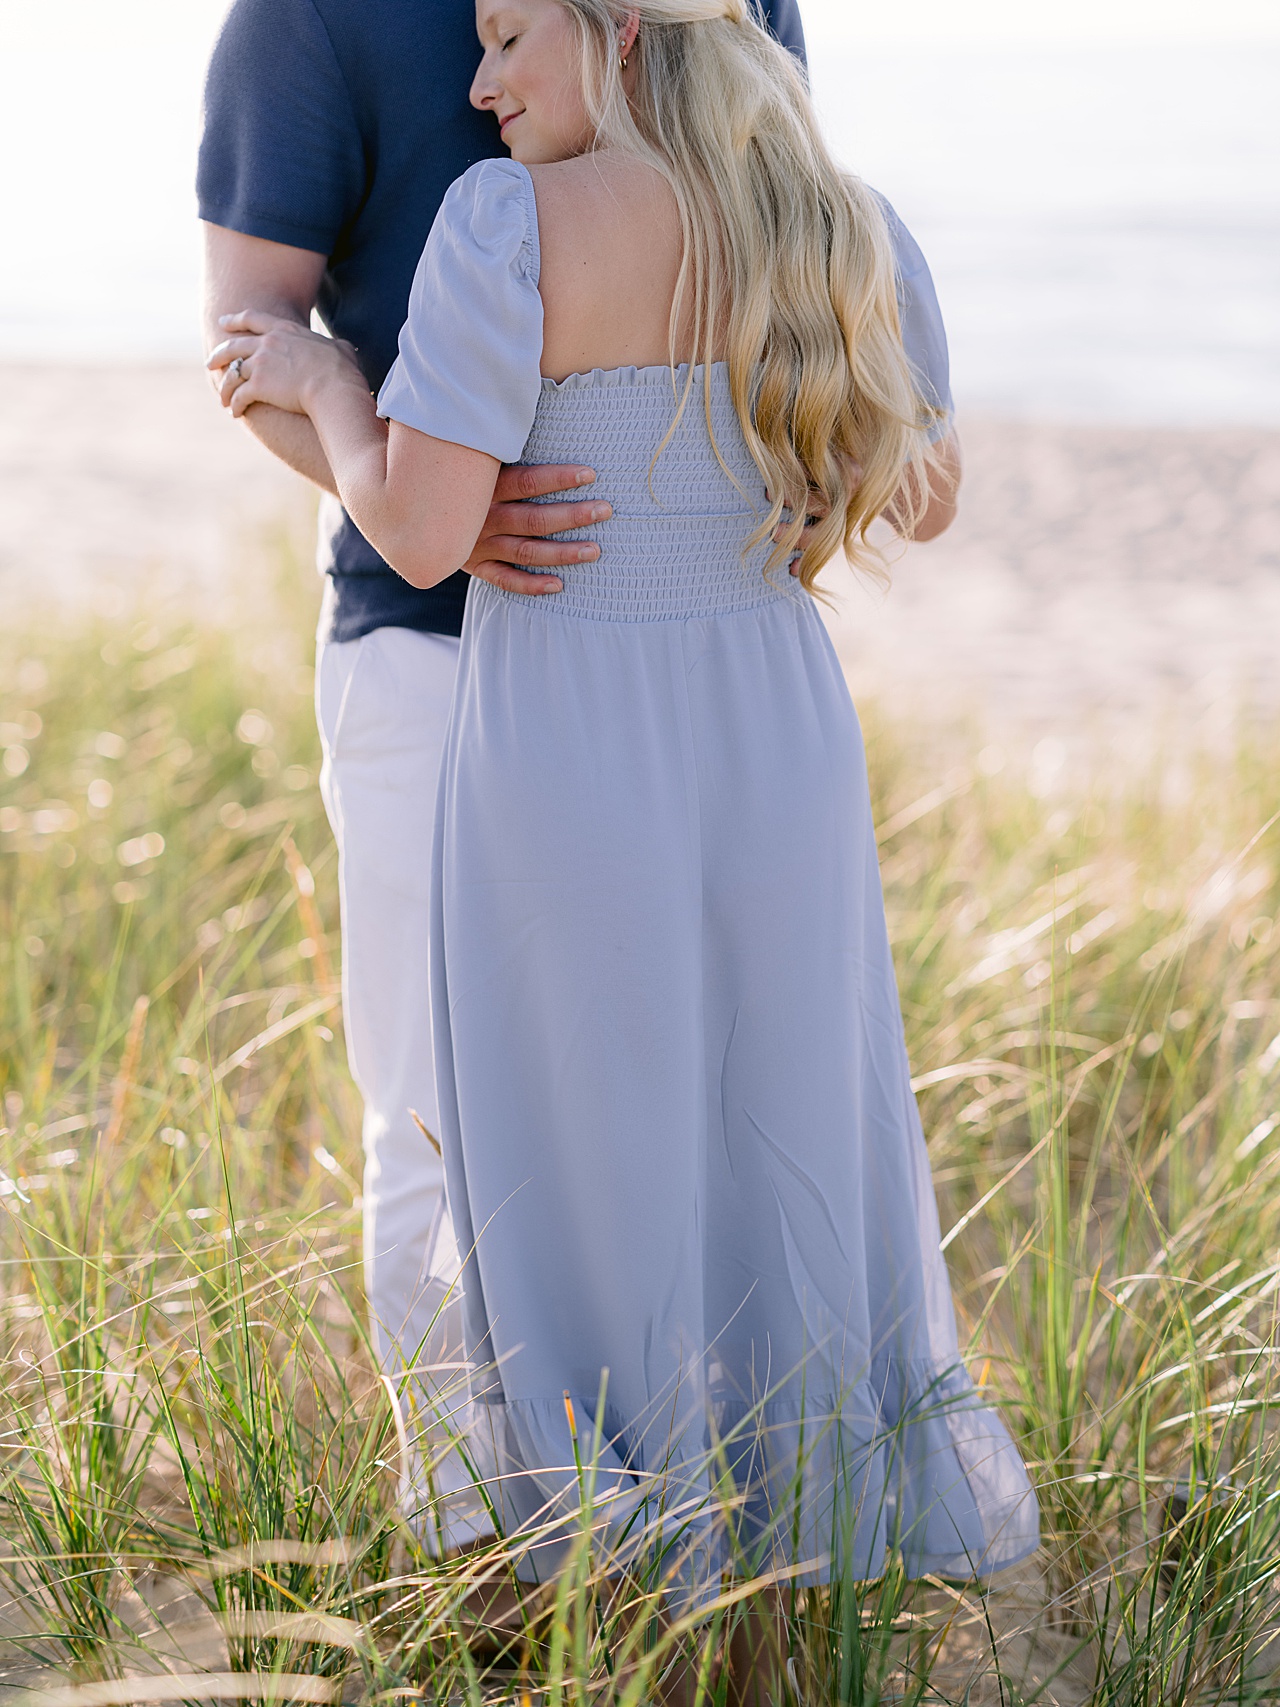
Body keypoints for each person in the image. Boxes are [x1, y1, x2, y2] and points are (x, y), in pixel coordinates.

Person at [197, 0, 807, 1550]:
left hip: (670, 651)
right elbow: (252, 336)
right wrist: (430, 503)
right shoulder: (306, 21)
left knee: (694, 1104)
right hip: (425, 651)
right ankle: (490, 1557)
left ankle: (711, 1546)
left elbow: (768, 236)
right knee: (437, 1128)